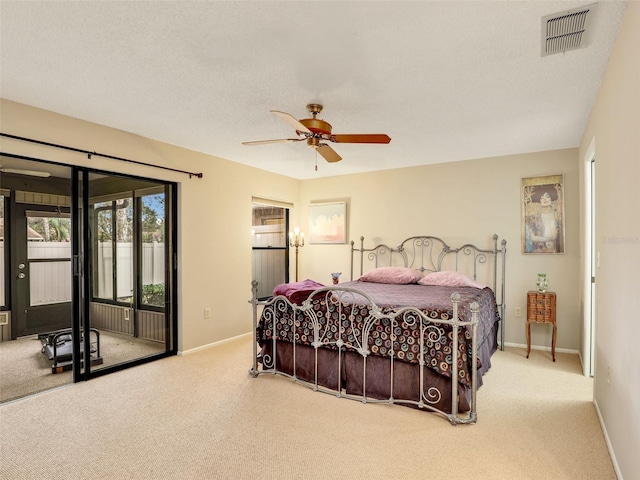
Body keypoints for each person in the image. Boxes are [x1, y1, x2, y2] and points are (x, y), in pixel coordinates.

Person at [525, 186, 562, 253]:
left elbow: (556, 236)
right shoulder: (533, 217)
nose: (545, 199)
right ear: (539, 200)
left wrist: (540, 238)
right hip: (538, 251)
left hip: (554, 251)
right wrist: (550, 238)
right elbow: (533, 238)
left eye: (547, 197)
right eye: (542, 197)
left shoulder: (557, 216)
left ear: (551, 200)